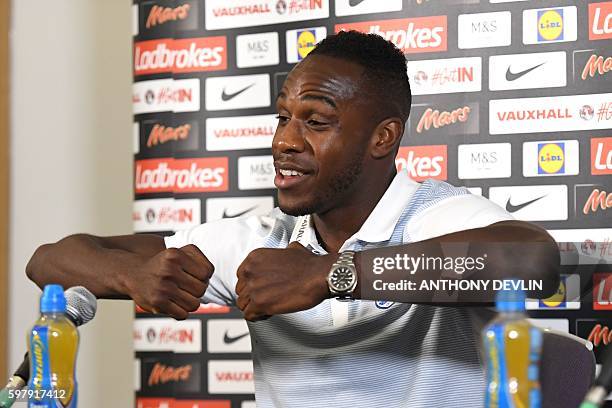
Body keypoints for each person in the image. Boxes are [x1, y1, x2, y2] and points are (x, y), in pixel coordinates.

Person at [26, 31, 560, 407]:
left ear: (383, 137)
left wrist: (330, 275)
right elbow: (50, 261)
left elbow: (533, 261)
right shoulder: (263, 242)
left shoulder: (434, 217)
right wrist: (134, 276)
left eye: (317, 121)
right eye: (283, 117)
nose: (284, 141)